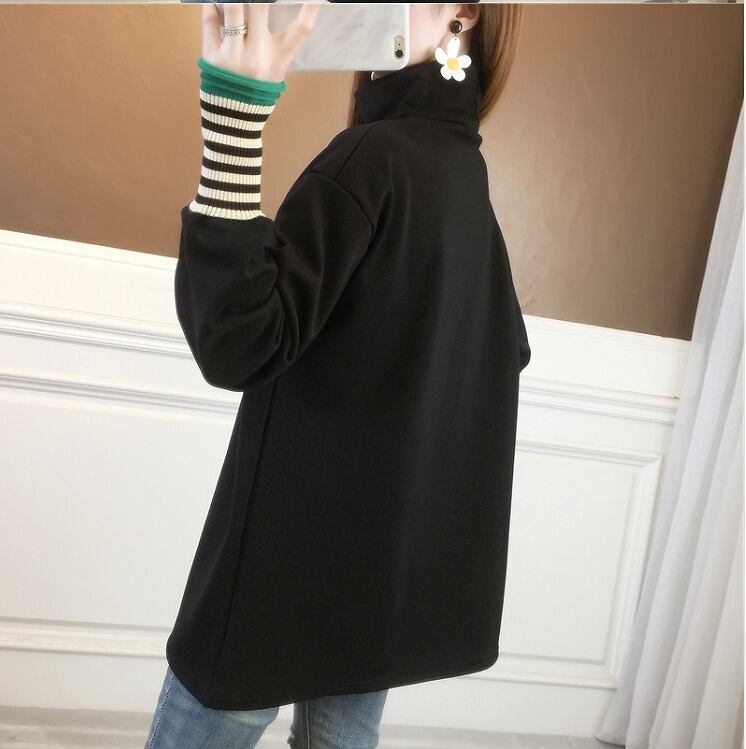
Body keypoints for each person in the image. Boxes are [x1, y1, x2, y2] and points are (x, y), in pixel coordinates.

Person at [145, 2, 529, 747]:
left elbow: (237, 341)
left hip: (282, 570)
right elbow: (499, 355)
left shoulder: (374, 160)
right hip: (378, 579)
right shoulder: (463, 176)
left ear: (464, 12)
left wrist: (233, 118)